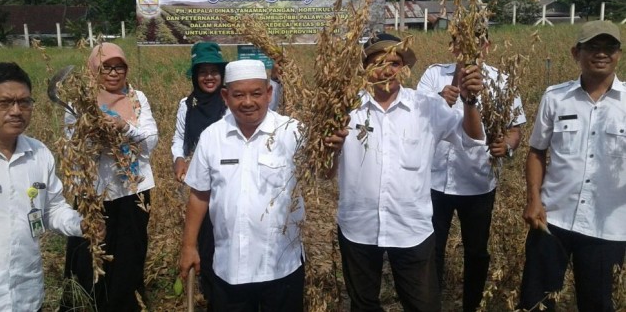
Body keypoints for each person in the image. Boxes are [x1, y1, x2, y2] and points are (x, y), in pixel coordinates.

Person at [325, 33, 486, 312]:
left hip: (412, 229)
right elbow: (326, 173)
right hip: (358, 227)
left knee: (423, 305)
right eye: (378, 62)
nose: (387, 70)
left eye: (395, 63)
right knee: (363, 305)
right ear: (365, 68)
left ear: (404, 68)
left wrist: (470, 101)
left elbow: (472, 139)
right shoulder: (344, 110)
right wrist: (330, 149)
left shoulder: (427, 107)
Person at [178, 59, 304, 312]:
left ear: (269, 93)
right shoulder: (212, 137)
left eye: (256, 93)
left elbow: (324, 173)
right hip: (229, 265)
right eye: (239, 95)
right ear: (226, 96)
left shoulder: (293, 131)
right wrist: (189, 246)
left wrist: (333, 146)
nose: (248, 102)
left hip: (282, 264)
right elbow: (199, 195)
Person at [518, 21, 625, 311]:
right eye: (593, 47)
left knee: (598, 303)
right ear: (576, 52)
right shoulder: (555, 97)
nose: (601, 53)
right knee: (535, 301)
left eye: (609, 47)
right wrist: (533, 199)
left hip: (608, 226)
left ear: (619, 53)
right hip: (552, 218)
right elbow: (537, 151)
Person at [417, 36, 526, 312]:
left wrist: (508, 147)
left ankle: (473, 306)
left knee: (476, 252)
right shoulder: (433, 75)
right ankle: (432, 304)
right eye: (461, 44)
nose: (468, 50)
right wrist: (440, 99)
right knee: (432, 250)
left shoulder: (501, 81)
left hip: (477, 181)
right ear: (453, 47)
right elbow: (415, 116)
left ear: (487, 47)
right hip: (434, 181)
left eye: (477, 44)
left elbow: (515, 130)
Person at [0, 62, 84, 311]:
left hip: (28, 298)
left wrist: (82, 224)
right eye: (4, 102)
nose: (16, 111)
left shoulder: (39, 153)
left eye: (25, 102)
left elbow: (52, 209)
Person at [61, 43, 159, 311]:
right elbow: (72, 145)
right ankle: (88, 304)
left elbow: (151, 140)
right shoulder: (79, 102)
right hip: (93, 193)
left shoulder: (137, 98)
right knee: (89, 254)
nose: (114, 73)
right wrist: (91, 134)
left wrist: (124, 127)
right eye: (107, 67)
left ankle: (124, 304)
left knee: (129, 253)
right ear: (94, 70)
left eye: (120, 67)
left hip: (132, 191)